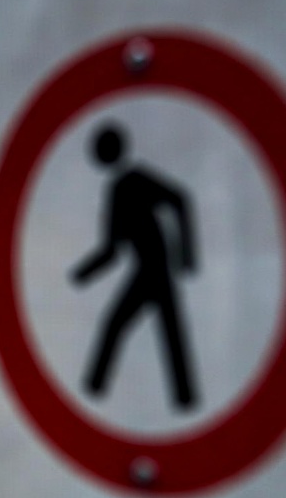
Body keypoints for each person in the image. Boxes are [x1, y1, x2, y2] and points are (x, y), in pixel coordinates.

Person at [72, 123, 198, 410]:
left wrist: (187, 256)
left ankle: (94, 390)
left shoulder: (134, 180)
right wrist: (82, 274)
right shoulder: (117, 189)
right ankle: (184, 399)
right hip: (149, 271)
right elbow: (111, 250)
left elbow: (180, 199)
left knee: (121, 326)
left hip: (154, 272)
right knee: (167, 334)